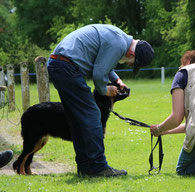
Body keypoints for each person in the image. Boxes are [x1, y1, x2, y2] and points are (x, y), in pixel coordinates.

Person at [47, 24, 154, 177]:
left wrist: (117, 80)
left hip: (60, 64)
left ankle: (85, 167)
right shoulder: (118, 45)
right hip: (66, 67)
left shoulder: (119, 38)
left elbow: (104, 64)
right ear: (132, 53)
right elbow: (99, 74)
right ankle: (98, 167)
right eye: (132, 63)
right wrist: (105, 90)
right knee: (92, 115)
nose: (129, 64)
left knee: (78, 119)